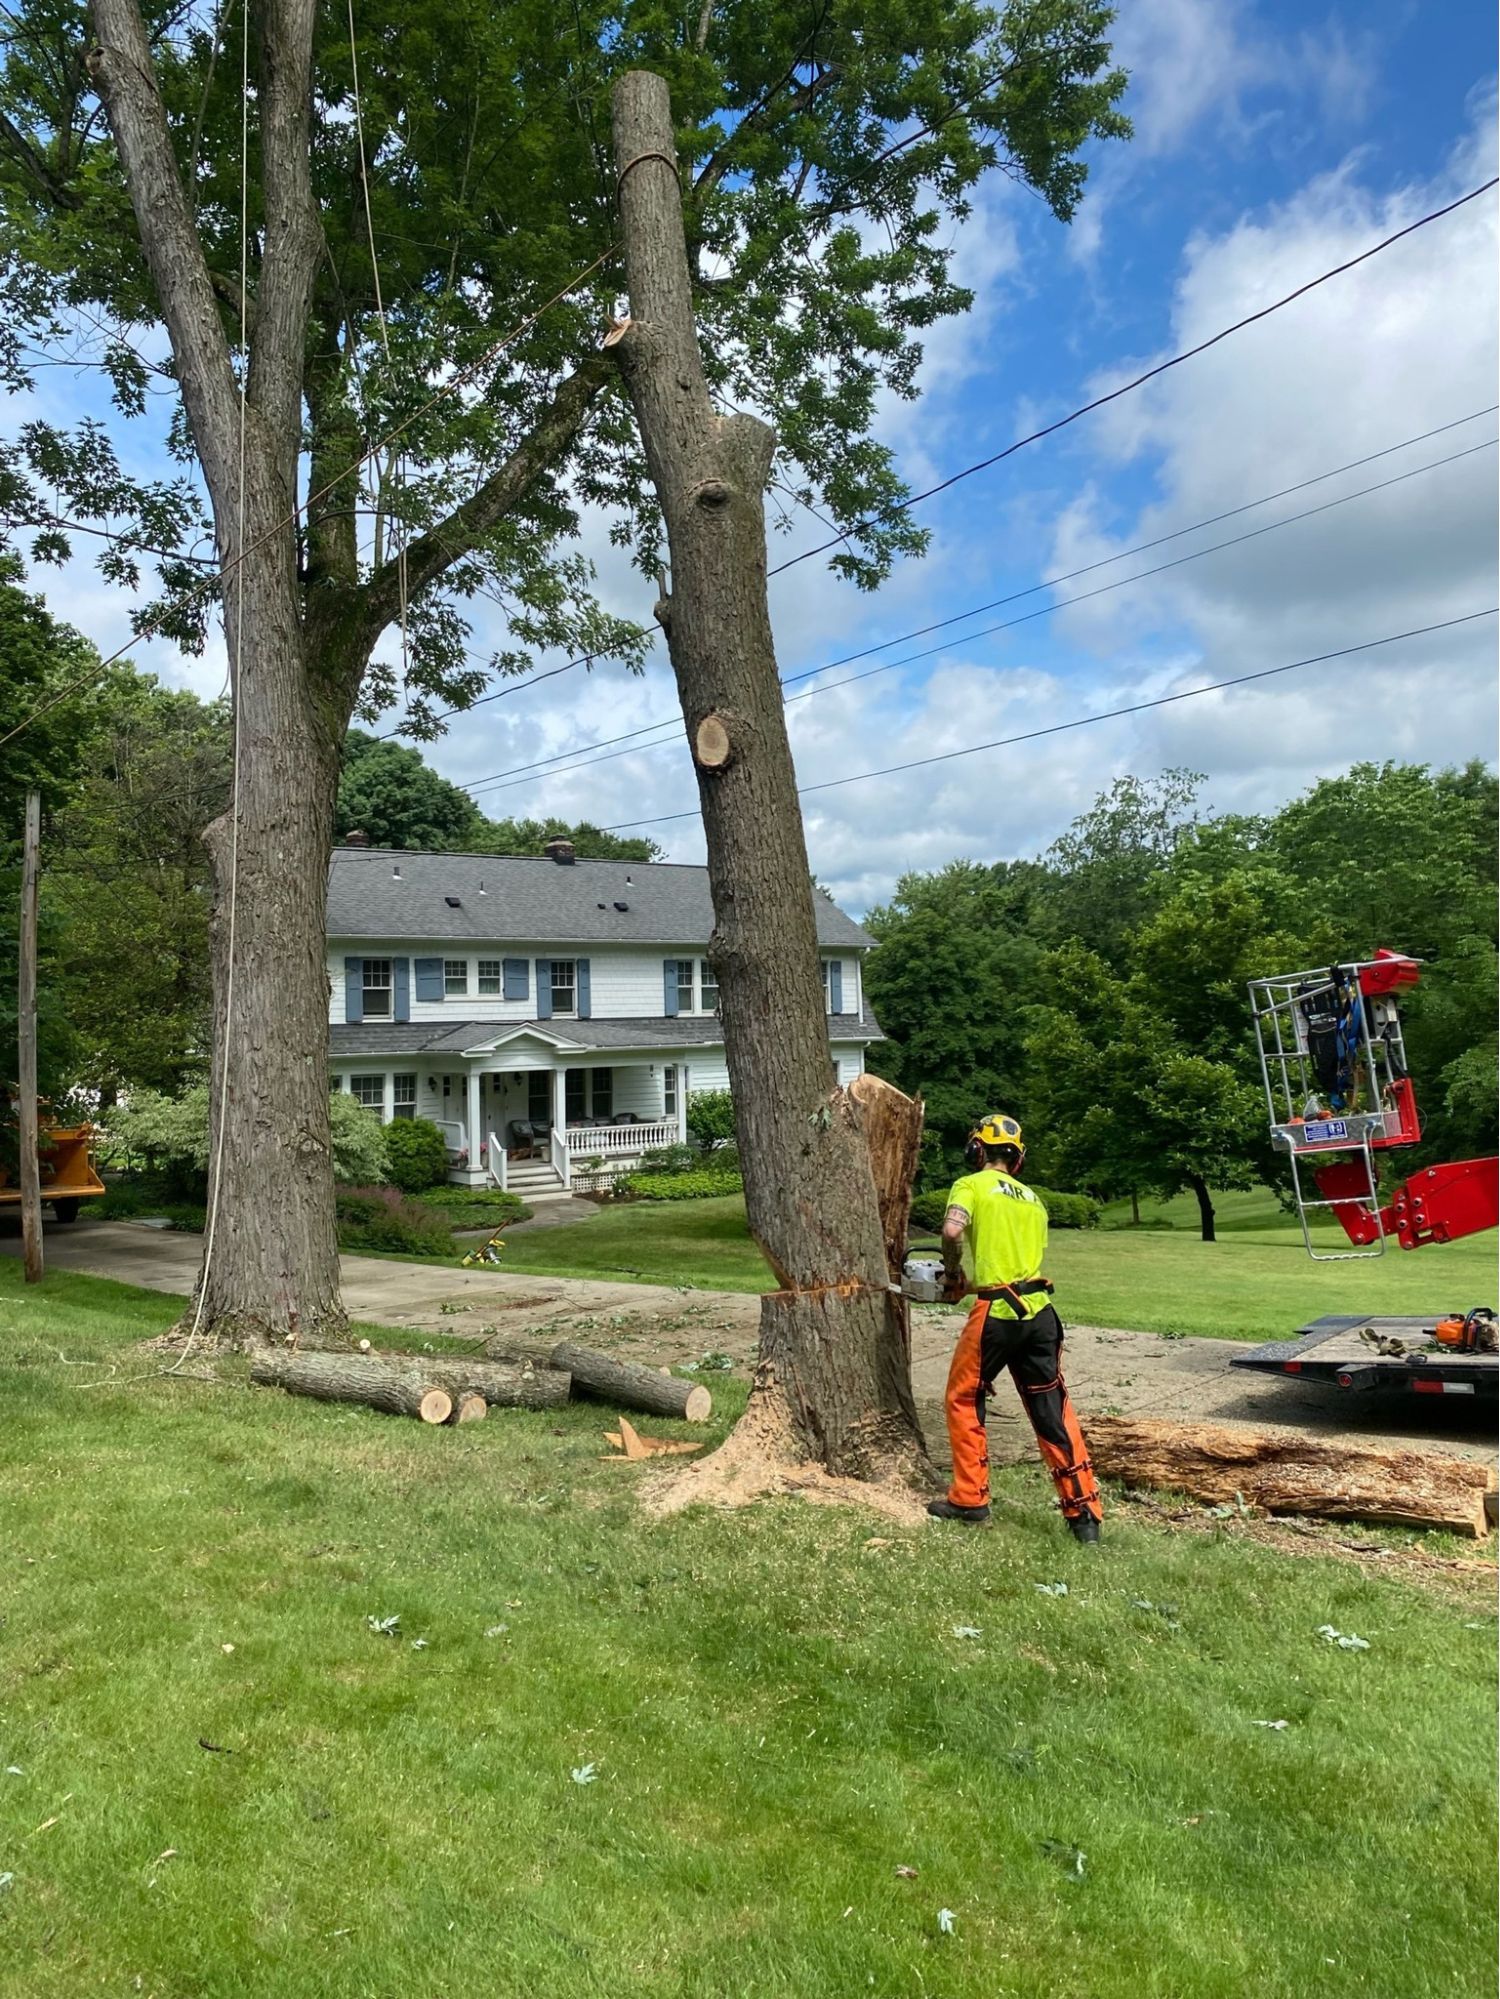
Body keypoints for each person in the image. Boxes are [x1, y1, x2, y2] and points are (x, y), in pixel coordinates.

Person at [927, 1114, 1103, 1543]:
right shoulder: (1034, 1201)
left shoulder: (971, 1185)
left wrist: (953, 1274)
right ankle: (1084, 1515)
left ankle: (969, 1498)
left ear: (977, 1150)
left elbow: (952, 1230)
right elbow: (1017, 1264)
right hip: (1040, 1313)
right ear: (1018, 1159)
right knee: (1052, 1409)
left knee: (964, 1398)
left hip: (996, 1314)